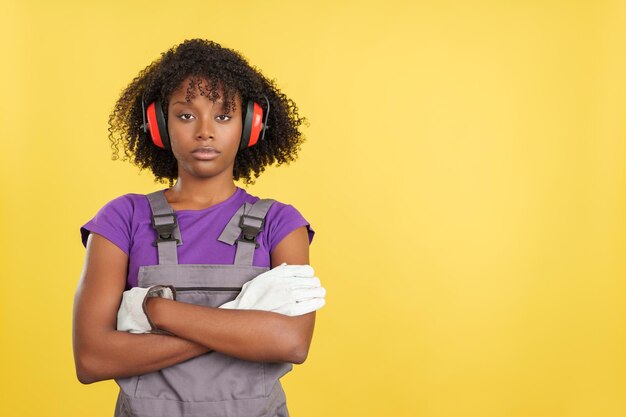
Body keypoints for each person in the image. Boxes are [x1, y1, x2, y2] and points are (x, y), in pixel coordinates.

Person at [72, 38, 326, 417]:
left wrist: (160, 311)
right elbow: (92, 359)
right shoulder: (121, 219)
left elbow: (291, 343)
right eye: (186, 115)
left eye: (223, 116)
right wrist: (241, 325)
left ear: (251, 125)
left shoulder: (280, 223)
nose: (205, 131)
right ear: (159, 124)